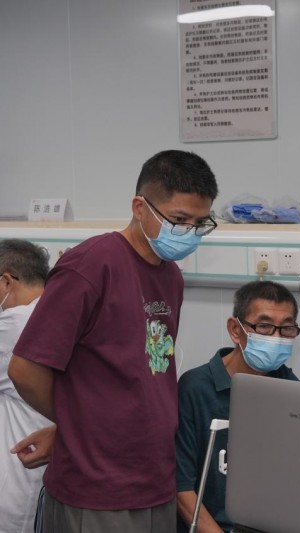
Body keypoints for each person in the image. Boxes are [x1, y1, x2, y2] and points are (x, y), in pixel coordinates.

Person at [7, 150, 218, 533]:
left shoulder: (170, 276)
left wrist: (79, 425)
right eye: (179, 220)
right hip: (97, 488)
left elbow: (148, 371)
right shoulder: (91, 266)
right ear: (140, 207)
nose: (189, 232)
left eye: (200, 223)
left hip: (155, 479)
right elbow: (25, 370)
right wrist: (78, 426)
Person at [176, 281, 300, 533]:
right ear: (235, 330)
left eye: (287, 328)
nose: (276, 338)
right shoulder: (195, 389)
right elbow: (182, 490)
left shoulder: (289, 387)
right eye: (264, 326)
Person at [0, 239, 51, 532]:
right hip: (43, 472)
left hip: (20, 470)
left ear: (7, 282)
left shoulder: (15, 323)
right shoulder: (54, 313)